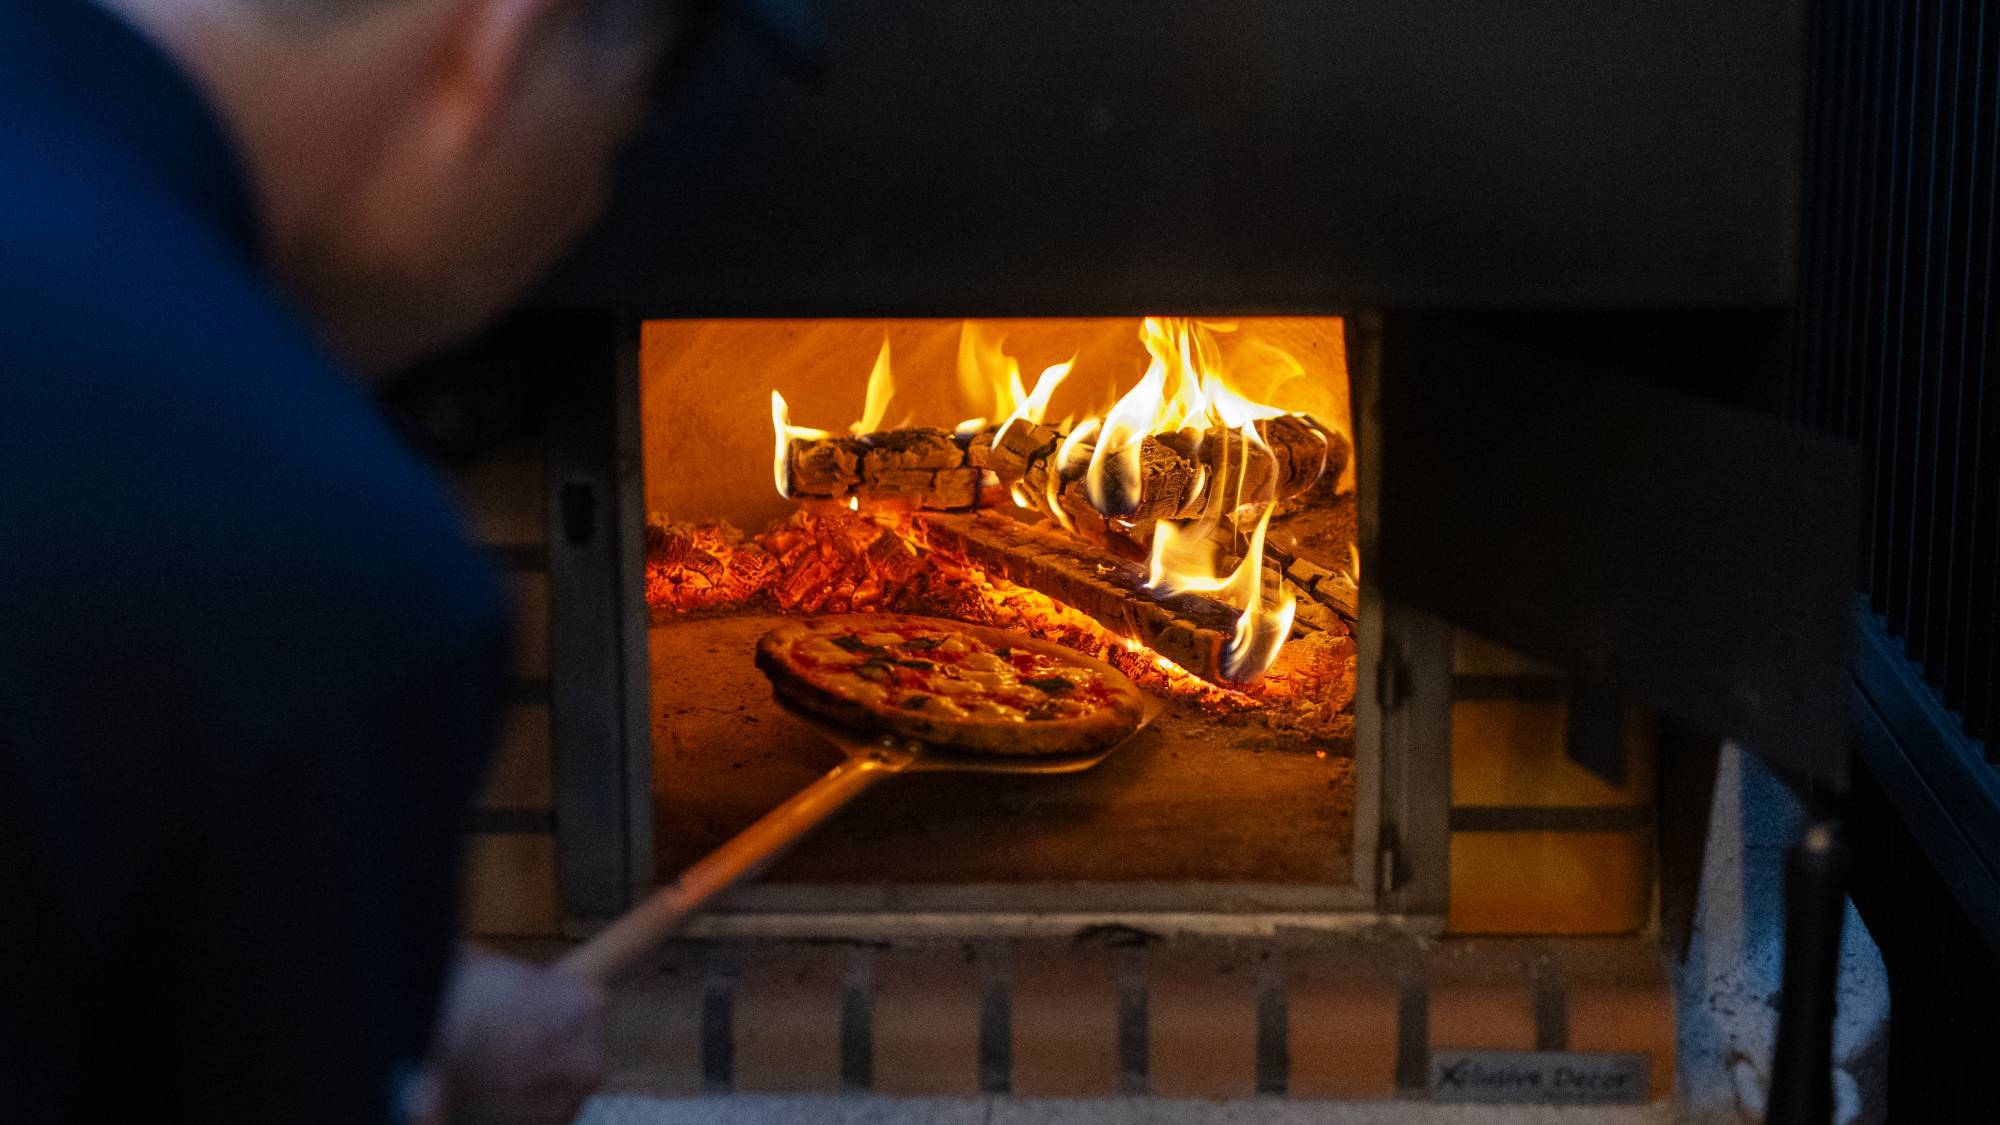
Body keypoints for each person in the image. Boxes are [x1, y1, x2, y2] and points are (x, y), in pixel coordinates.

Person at [0, 0, 681, 1120]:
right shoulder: (305, 550)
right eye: (619, 127)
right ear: (499, 42)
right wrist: (427, 1074)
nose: (591, 198)